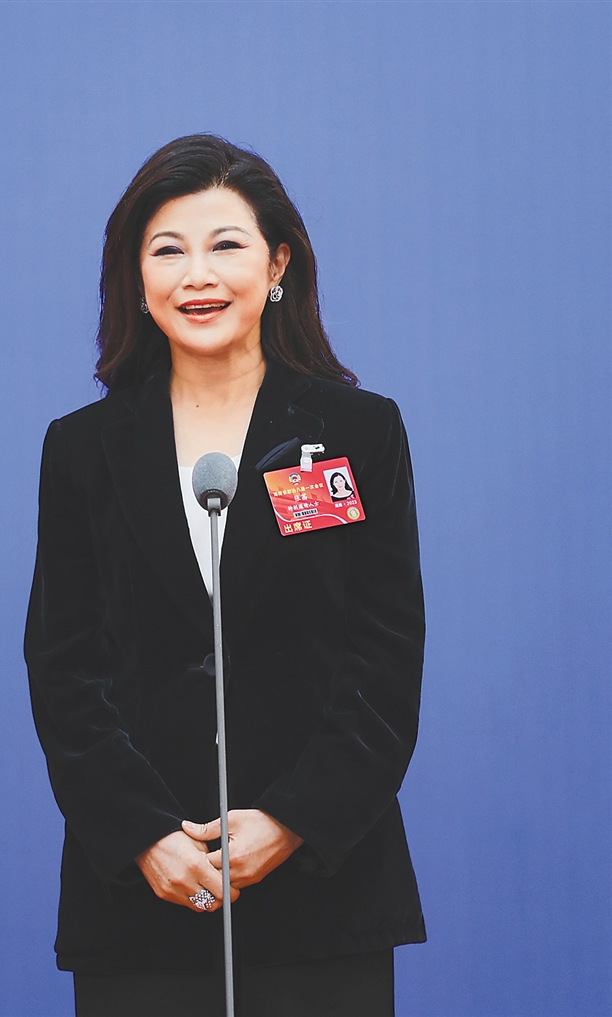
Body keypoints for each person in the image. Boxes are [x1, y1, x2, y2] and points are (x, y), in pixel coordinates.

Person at [24, 135, 426, 1017]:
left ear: (276, 263)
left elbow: (385, 657)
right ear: (135, 277)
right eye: (167, 250)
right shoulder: (81, 450)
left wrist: (290, 821)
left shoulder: (355, 433)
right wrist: (143, 835)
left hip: (322, 891)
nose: (196, 275)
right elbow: (63, 667)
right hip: (143, 897)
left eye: (226, 245)